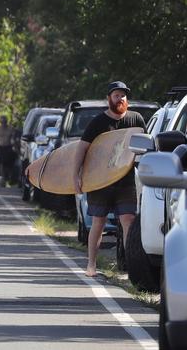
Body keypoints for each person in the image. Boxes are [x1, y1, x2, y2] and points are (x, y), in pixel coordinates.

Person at [73, 81, 147, 277]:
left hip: (125, 182)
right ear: (109, 99)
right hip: (101, 182)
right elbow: (82, 149)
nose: (120, 99)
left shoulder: (136, 119)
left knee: (129, 221)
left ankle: (132, 268)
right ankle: (91, 264)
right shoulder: (98, 122)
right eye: (116, 95)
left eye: (123, 95)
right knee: (98, 221)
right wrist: (76, 175)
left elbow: (147, 146)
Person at [0, 115, 16, 187]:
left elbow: (14, 138)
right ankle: (3, 179)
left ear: (6, 122)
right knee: (1, 164)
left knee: (9, 165)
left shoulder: (11, 129)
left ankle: (9, 179)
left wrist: (13, 146)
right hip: (1, 148)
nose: (3, 123)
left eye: (4, 122)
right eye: (2, 122)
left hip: (8, 148)